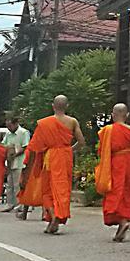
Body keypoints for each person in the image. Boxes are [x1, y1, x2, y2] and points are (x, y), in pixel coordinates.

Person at [27, 95, 85, 234]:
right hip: (65, 156)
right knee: (62, 187)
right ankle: (58, 216)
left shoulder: (45, 123)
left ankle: (53, 216)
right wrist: (70, 149)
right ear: (67, 106)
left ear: (53, 106)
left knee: (47, 190)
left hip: (50, 156)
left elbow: (35, 146)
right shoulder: (72, 121)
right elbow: (81, 142)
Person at [95, 103, 130, 242]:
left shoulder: (107, 130)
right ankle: (124, 219)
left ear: (113, 115)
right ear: (127, 115)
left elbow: (101, 150)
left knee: (114, 191)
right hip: (128, 161)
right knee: (126, 191)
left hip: (114, 162)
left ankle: (122, 222)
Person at [2, 116, 31, 214]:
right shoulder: (8, 134)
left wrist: (15, 154)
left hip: (20, 161)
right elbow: (4, 144)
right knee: (9, 184)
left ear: (15, 124)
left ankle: (19, 204)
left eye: (10, 126)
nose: (9, 128)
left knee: (18, 184)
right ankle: (10, 204)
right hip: (10, 162)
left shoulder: (23, 132)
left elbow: (26, 146)